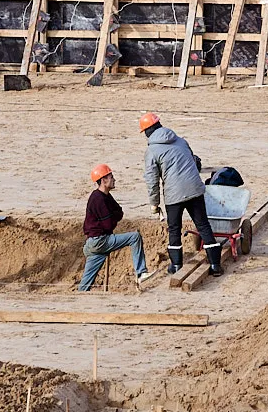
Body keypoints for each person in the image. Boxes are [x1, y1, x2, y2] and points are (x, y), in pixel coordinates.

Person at [140, 112, 222, 276]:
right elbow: (194, 162)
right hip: (195, 189)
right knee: (203, 225)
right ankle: (215, 265)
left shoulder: (152, 151)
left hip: (174, 194)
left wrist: (154, 203)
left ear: (147, 132)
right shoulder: (181, 141)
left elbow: (152, 180)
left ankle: (176, 265)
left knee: (174, 229)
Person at [77, 163, 154, 291]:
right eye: (111, 177)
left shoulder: (105, 195)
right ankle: (141, 272)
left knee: (85, 285)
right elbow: (108, 224)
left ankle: (80, 297)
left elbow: (119, 212)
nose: (114, 179)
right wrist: (112, 218)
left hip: (94, 243)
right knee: (134, 237)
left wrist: (112, 218)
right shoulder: (98, 199)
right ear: (103, 180)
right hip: (100, 241)